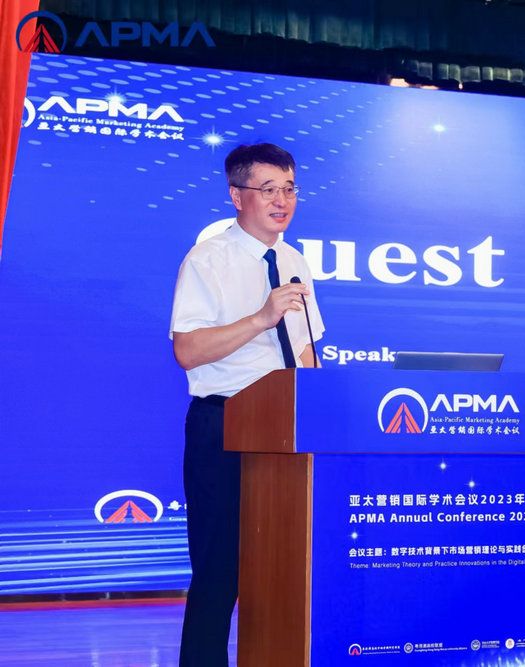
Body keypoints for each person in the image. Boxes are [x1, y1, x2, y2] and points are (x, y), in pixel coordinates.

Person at [169, 143, 325, 665]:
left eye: (289, 189)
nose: (282, 200)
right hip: (226, 424)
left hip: (287, 431)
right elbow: (188, 350)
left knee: (285, 565)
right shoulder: (207, 259)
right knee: (219, 569)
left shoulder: (294, 260)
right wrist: (260, 319)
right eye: (268, 189)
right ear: (237, 196)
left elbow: (303, 350)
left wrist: (321, 404)